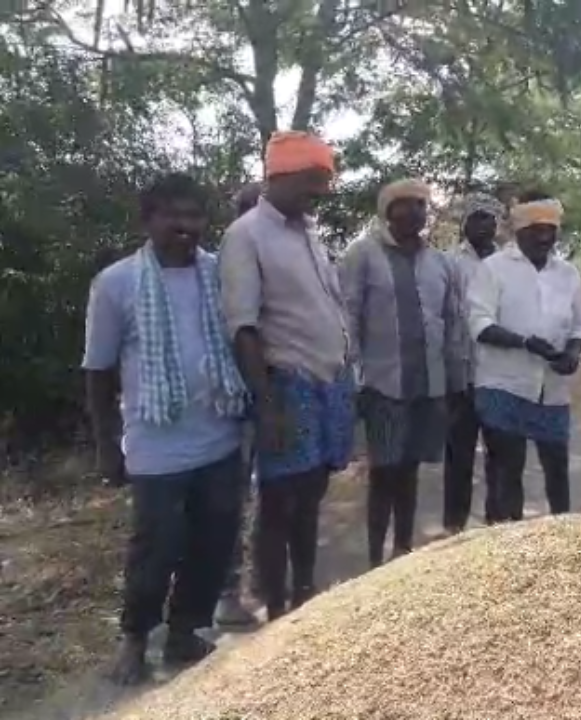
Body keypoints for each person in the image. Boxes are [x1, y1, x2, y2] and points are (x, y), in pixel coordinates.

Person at [83, 173, 250, 684]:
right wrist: (106, 445)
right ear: (147, 220)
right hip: (156, 447)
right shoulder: (116, 284)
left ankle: (184, 632)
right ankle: (134, 639)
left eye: (194, 214)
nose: (184, 225)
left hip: (219, 437)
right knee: (155, 547)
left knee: (214, 542)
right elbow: (98, 368)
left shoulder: (219, 273)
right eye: (171, 214)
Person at [219, 131, 354, 621]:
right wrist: (267, 401)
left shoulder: (309, 232)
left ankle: (304, 593)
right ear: (280, 175)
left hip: (329, 381)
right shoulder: (246, 235)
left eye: (324, 184)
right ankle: (276, 607)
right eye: (312, 183)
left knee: (312, 492)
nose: (319, 194)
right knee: (280, 501)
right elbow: (243, 326)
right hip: (286, 385)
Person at [340, 179, 466, 567]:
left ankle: (403, 551)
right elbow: (348, 318)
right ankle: (375, 558)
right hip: (381, 385)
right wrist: (355, 380)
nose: (413, 212)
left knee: (410, 471)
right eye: (403, 205)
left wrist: (458, 383)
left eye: (419, 205)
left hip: (428, 386)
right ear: (387, 211)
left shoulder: (441, 262)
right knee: (384, 472)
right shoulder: (362, 255)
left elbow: (453, 323)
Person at [467, 189, 581, 521]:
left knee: (557, 472)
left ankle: (563, 542)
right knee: (506, 474)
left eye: (551, 229)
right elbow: (479, 324)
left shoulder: (567, 274)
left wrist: (572, 352)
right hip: (503, 386)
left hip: (552, 390)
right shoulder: (493, 269)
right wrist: (525, 343)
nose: (545, 236)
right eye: (536, 229)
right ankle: (506, 549)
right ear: (518, 230)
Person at [214, 181, 264, 630]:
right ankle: (228, 594)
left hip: (280, 395)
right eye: (250, 208)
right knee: (234, 500)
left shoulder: (287, 259)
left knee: (281, 493)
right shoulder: (220, 266)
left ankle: (267, 579)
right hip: (231, 404)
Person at [444, 192, 507, 531]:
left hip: (497, 375)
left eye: (491, 218)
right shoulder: (450, 263)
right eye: (478, 217)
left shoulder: (508, 264)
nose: (486, 224)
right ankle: (454, 527)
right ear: (465, 223)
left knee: (499, 453)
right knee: (459, 456)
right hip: (462, 373)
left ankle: (496, 524)